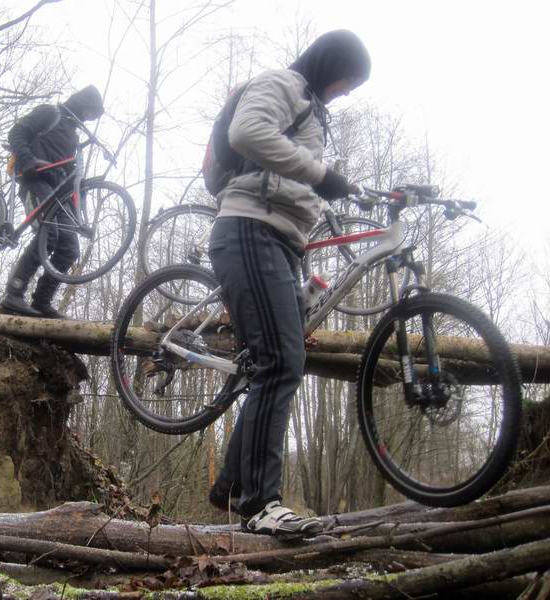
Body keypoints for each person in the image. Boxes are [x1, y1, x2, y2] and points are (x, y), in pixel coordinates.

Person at [207, 30, 371, 536]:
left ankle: (232, 485)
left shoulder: (312, 112)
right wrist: (324, 176)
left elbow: (298, 178)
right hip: (248, 228)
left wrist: (349, 189)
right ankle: (259, 503)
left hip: (278, 240)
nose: (345, 92)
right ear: (331, 65)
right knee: (281, 362)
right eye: (347, 81)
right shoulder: (282, 84)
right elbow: (247, 133)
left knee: (279, 359)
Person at [0, 85, 105, 318]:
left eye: (92, 115)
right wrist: (27, 160)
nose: (88, 117)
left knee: (69, 247)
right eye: (88, 111)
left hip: (59, 195)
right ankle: (14, 292)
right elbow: (17, 131)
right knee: (50, 234)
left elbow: (71, 178)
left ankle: (41, 301)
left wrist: (76, 211)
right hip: (34, 180)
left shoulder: (74, 138)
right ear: (81, 103)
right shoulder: (51, 113)